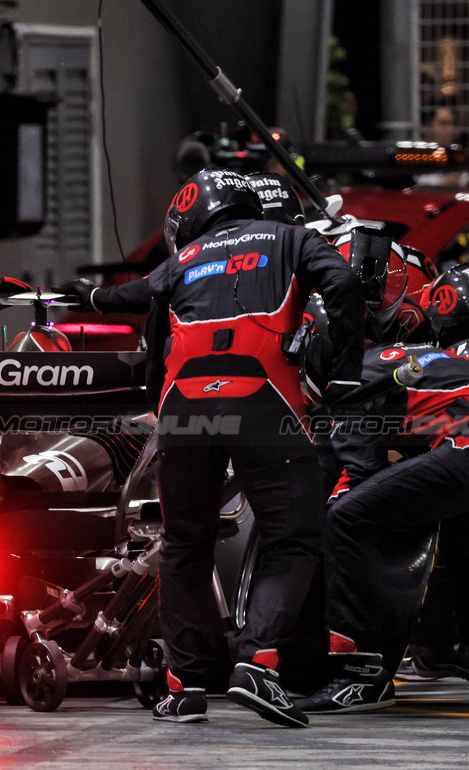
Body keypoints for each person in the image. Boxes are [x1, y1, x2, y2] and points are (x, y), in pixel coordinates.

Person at [65, 169, 366, 727]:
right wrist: (345, 377)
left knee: (184, 543)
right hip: (263, 397)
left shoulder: (180, 262)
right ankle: (258, 663)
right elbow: (344, 285)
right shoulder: (291, 237)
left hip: (184, 409)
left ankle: (184, 684)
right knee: (294, 536)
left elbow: (126, 304)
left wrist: (88, 294)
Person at [296, 330, 469, 713]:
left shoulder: (355, 380)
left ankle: (359, 675)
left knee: (346, 518)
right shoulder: (419, 356)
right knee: (465, 535)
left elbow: (356, 476)